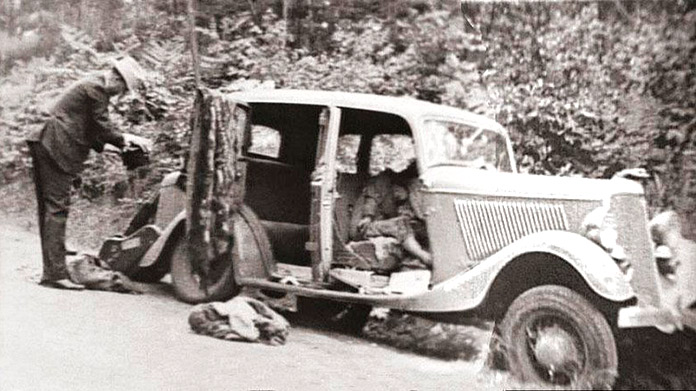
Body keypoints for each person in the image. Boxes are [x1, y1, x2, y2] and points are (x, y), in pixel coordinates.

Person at [26, 56, 151, 290]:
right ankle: (55, 273)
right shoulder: (97, 89)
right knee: (57, 208)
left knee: (49, 207)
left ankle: (54, 262)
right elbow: (102, 126)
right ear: (116, 77)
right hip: (55, 144)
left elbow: (92, 131)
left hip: (45, 141)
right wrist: (129, 138)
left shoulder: (93, 85)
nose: (120, 94)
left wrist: (115, 147)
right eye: (122, 88)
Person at [350, 162, 432, 271]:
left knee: (413, 225)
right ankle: (424, 257)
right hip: (366, 227)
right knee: (401, 224)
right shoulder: (383, 181)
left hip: (385, 225)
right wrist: (367, 216)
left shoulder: (404, 192)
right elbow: (371, 200)